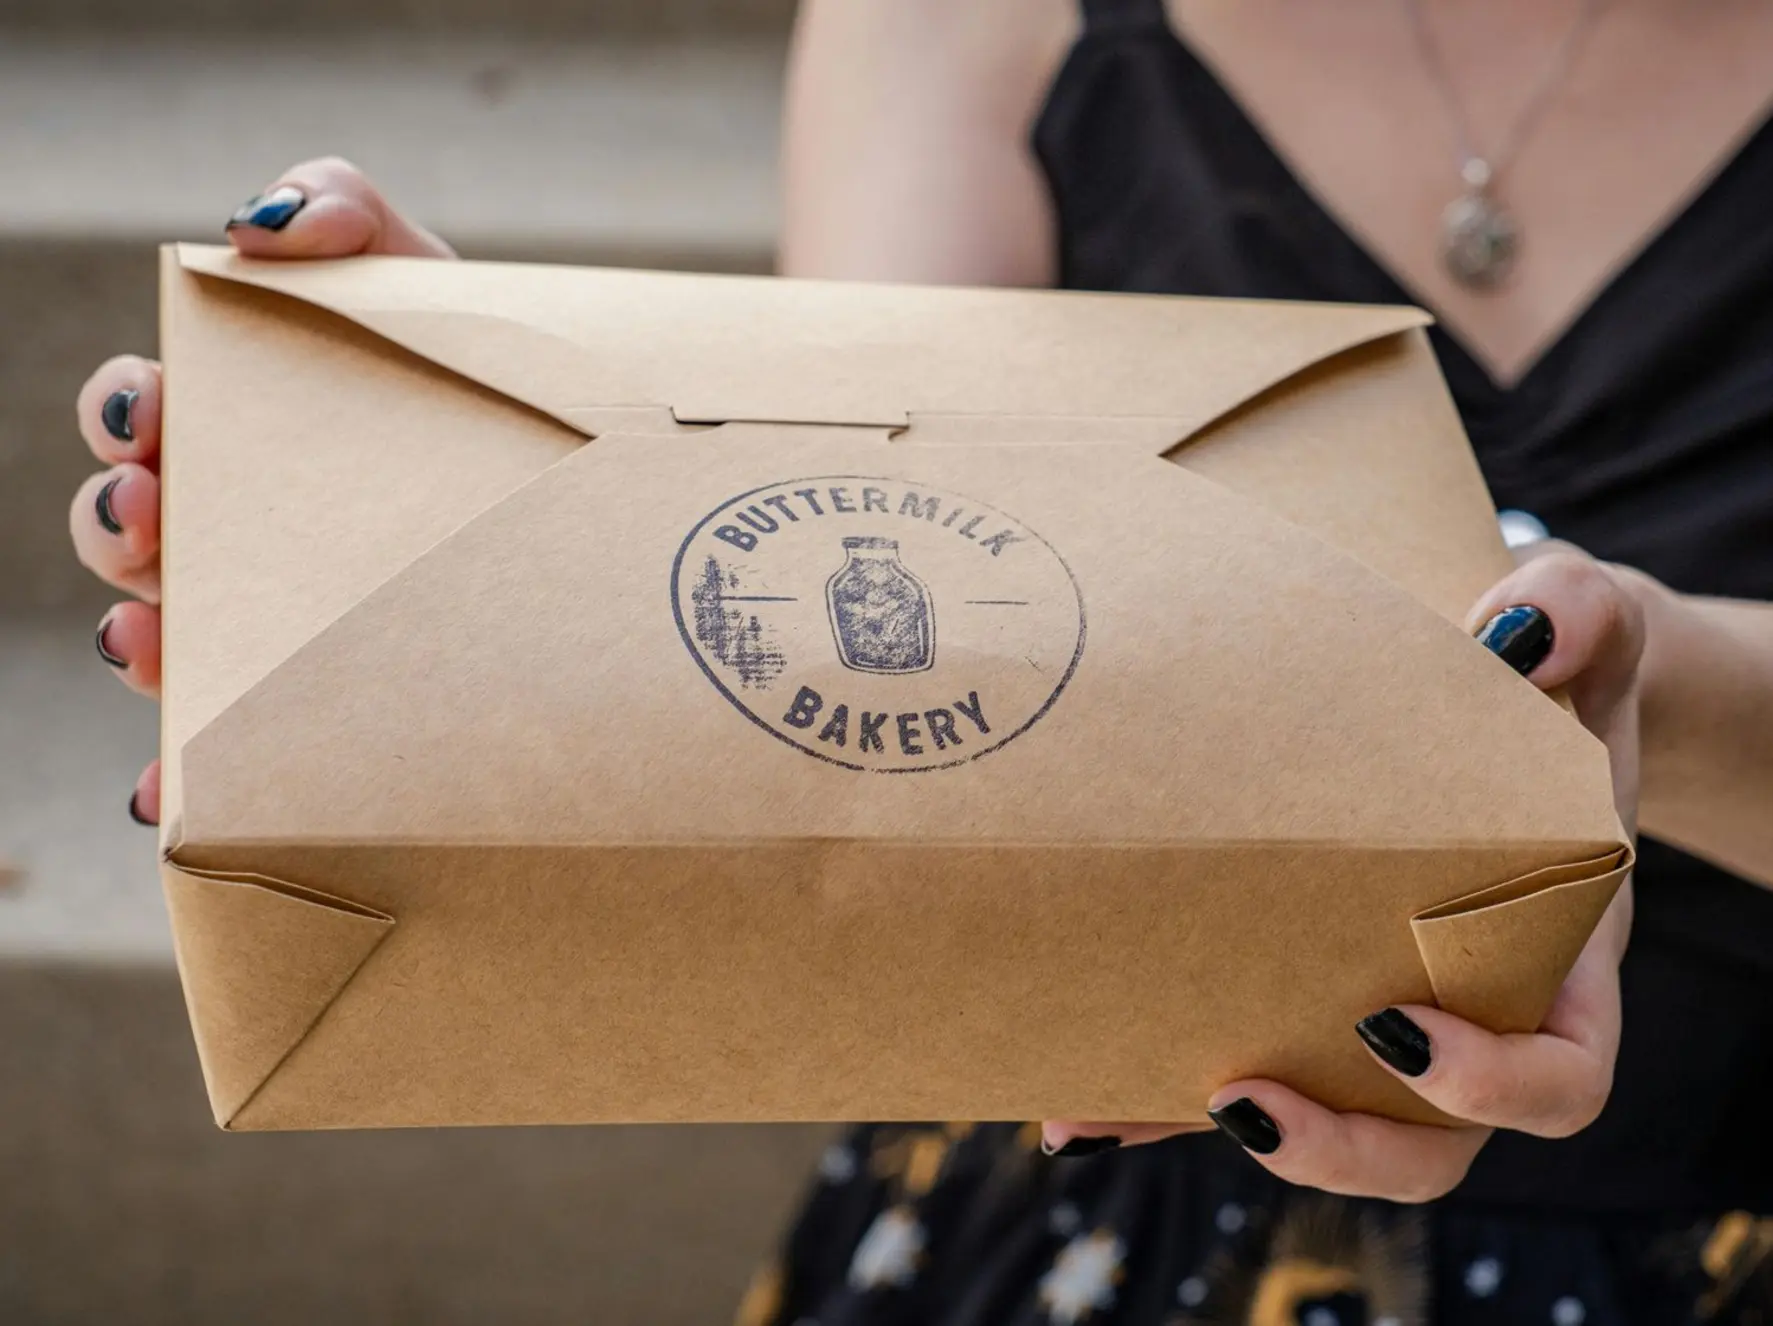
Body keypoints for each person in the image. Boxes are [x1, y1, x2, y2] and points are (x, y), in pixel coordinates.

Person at [66, 0, 1773, 1320]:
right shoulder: (965, 14)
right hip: (1107, 1180)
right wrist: (546, 519)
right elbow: (878, 617)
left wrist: (1655, 692)